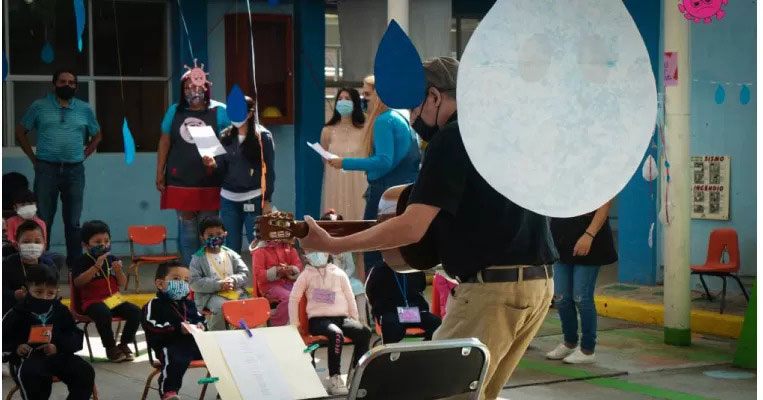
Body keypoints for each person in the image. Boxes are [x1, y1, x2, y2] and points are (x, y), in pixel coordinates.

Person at [299, 57, 558, 400]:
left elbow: (411, 227)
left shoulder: (451, 138)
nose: (413, 118)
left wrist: (333, 244)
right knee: (478, 394)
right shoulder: (503, 133)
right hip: (539, 285)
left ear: (435, 96)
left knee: (435, 392)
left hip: (492, 292)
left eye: (415, 106)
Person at [327, 75, 421, 276]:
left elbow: (384, 160)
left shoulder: (384, 120)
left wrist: (345, 162)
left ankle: (376, 292)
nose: (363, 100)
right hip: (405, 193)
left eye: (367, 95)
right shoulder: (402, 117)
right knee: (401, 253)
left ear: (380, 95)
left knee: (373, 250)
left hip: (384, 195)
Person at [15, 68, 102, 268]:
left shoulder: (84, 109)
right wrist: (34, 159)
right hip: (46, 169)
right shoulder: (39, 106)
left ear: (76, 86)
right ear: (54, 83)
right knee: (43, 219)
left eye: (71, 82)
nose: (67, 85)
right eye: (62, 81)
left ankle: (75, 267)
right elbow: (20, 132)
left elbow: (98, 135)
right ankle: (40, 265)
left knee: (73, 221)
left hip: (74, 171)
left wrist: (83, 155)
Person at [156, 63, 231, 266]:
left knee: (209, 229)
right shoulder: (174, 111)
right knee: (188, 230)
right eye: (188, 87)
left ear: (206, 86)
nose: (193, 90)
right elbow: (164, 141)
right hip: (180, 178)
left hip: (210, 179)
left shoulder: (220, 111)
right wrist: (159, 172)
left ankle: (211, 270)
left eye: (197, 86)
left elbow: (232, 141)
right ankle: (190, 272)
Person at [3, 265, 95, 400]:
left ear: (57, 292)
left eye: (50, 293)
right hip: (28, 359)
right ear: (26, 290)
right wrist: (17, 347)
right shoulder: (17, 312)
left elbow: (74, 335)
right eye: (38, 292)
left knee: (85, 372)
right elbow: (4, 337)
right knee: (33, 376)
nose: (44, 297)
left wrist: (57, 346)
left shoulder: (61, 310)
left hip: (58, 355)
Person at [288, 251, 371, 395]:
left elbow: (350, 296)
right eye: (311, 252)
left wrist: (355, 318)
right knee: (336, 334)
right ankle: (335, 378)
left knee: (364, 332)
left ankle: (357, 372)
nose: (317, 254)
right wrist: (295, 323)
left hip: (342, 318)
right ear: (306, 257)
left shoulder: (339, 273)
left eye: (320, 251)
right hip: (319, 320)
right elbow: (294, 299)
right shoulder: (305, 275)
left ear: (327, 254)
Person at [546, 200, 617, 364]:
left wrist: (589, 235)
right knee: (561, 298)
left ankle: (587, 349)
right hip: (561, 239)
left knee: (581, 297)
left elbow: (605, 204)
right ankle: (569, 342)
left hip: (589, 241)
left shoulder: (597, 182)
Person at [202, 96, 274, 254]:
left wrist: (267, 200)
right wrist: (212, 164)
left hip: (253, 198)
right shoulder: (225, 136)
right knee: (230, 246)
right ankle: (232, 271)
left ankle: (258, 271)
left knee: (257, 244)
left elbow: (269, 170)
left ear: (249, 113)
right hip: (228, 199)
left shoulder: (263, 136)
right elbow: (221, 169)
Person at [72, 220, 141, 363]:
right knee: (103, 312)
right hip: (92, 301)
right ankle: (110, 347)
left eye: (106, 241)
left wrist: (119, 271)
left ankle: (124, 344)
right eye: (97, 242)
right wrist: (96, 267)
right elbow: (78, 283)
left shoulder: (112, 259)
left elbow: (122, 283)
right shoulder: (81, 261)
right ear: (86, 245)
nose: (103, 244)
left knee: (135, 311)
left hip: (113, 299)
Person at [142, 261, 207, 400]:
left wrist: (201, 325)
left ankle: (226, 388)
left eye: (186, 280)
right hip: (168, 345)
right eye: (176, 279)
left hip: (192, 345)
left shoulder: (190, 304)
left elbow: (200, 319)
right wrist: (177, 328)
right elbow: (151, 326)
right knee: (175, 356)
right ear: (160, 284)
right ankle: (169, 392)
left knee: (221, 353)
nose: (182, 284)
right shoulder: (154, 304)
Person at [189, 216, 250, 330]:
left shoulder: (232, 254)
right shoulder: (197, 259)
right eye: (210, 235)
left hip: (235, 291)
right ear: (202, 238)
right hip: (211, 295)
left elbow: (245, 273)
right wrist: (218, 284)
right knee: (221, 308)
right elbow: (194, 282)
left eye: (218, 234)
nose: (215, 237)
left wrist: (233, 280)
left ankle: (243, 334)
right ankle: (217, 335)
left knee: (249, 306)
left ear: (225, 234)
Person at [320, 88, 368, 220]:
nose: (343, 102)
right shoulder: (327, 130)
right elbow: (324, 158)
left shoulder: (365, 129)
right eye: (340, 99)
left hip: (359, 181)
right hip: (335, 181)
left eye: (347, 99)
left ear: (355, 103)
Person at [365, 263, 441, 344]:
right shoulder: (378, 270)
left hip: (413, 312)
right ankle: (392, 351)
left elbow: (421, 287)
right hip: (391, 313)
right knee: (390, 324)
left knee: (436, 323)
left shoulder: (414, 268)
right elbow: (370, 293)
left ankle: (427, 348)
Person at [2, 220, 57, 314]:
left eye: (37, 242)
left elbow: (54, 290)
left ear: (44, 245)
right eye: (26, 242)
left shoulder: (49, 265)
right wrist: (15, 295)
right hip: (13, 312)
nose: (32, 245)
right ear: (16, 245)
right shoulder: (7, 264)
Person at [251, 235, 303, 327]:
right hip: (269, 287)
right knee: (289, 297)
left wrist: (291, 269)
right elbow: (259, 275)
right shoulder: (260, 251)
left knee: (304, 295)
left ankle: (299, 324)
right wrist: (277, 271)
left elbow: (299, 267)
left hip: (288, 284)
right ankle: (276, 324)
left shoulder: (290, 249)